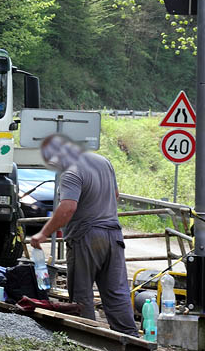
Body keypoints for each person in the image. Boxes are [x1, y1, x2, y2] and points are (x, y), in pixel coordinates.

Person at [30, 134, 138, 335]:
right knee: (116, 291)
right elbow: (115, 195)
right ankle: (130, 337)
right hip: (113, 236)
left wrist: (44, 234)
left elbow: (68, 208)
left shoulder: (71, 172)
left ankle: (87, 336)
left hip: (86, 237)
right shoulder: (103, 162)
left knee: (82, 292)